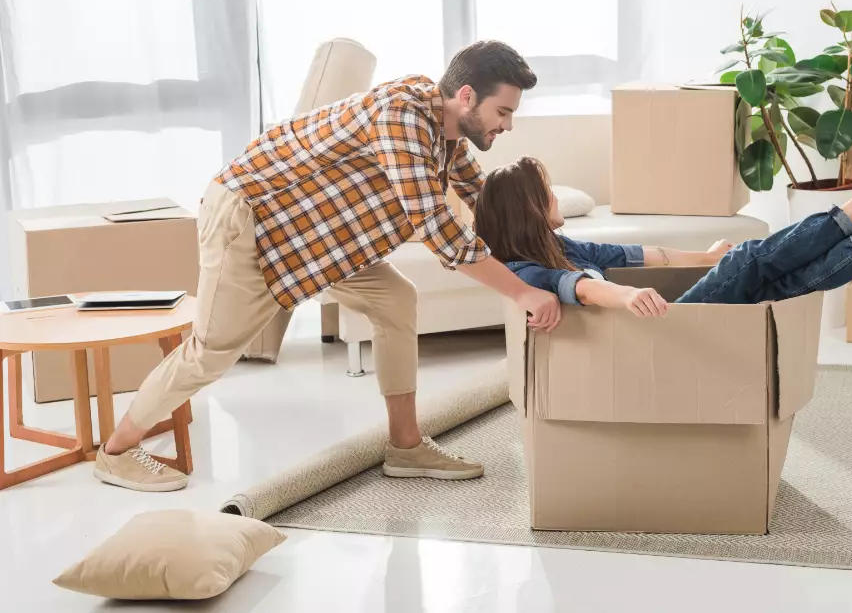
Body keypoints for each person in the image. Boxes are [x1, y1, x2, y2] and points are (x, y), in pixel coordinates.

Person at [94, 41, 563, 492]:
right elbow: (437, 228)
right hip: (255, 220)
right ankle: (116, 452)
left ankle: (406, 446)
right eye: (503, 112)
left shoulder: (446, 135)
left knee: (396, 300)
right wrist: (523, 292)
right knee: (211, 350)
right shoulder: (401, 116)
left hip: (322, 239)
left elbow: (480, 198)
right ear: (466, 97)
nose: (508, 125)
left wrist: (553, 252)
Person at [473, 136, 852, 314]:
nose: (556, 196)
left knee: (778, 286)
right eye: (548, 191)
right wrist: (625, 295)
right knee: (748, 258)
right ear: (530, 209)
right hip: (656, 335)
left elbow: (636, 256)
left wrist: (706, 258)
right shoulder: (526, 272)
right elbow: (576, 288)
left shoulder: (559, 245)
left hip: (658, 327)